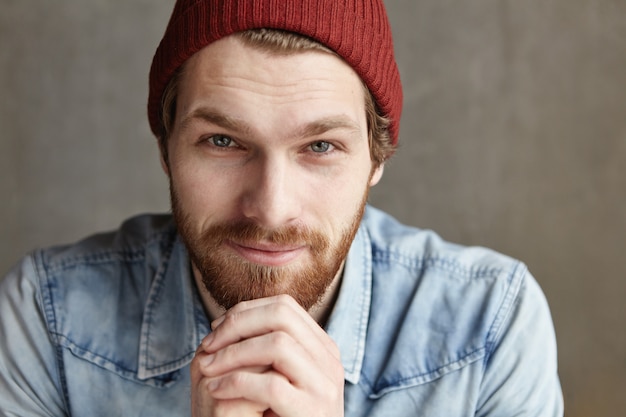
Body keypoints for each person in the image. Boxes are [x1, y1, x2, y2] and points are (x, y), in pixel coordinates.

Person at [0, 0, 563, 415]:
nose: (270, 209)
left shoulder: (490, 326)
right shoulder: (49, 320)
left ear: (377, 156)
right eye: (223, 141)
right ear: (166, 146)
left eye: (320, 147)